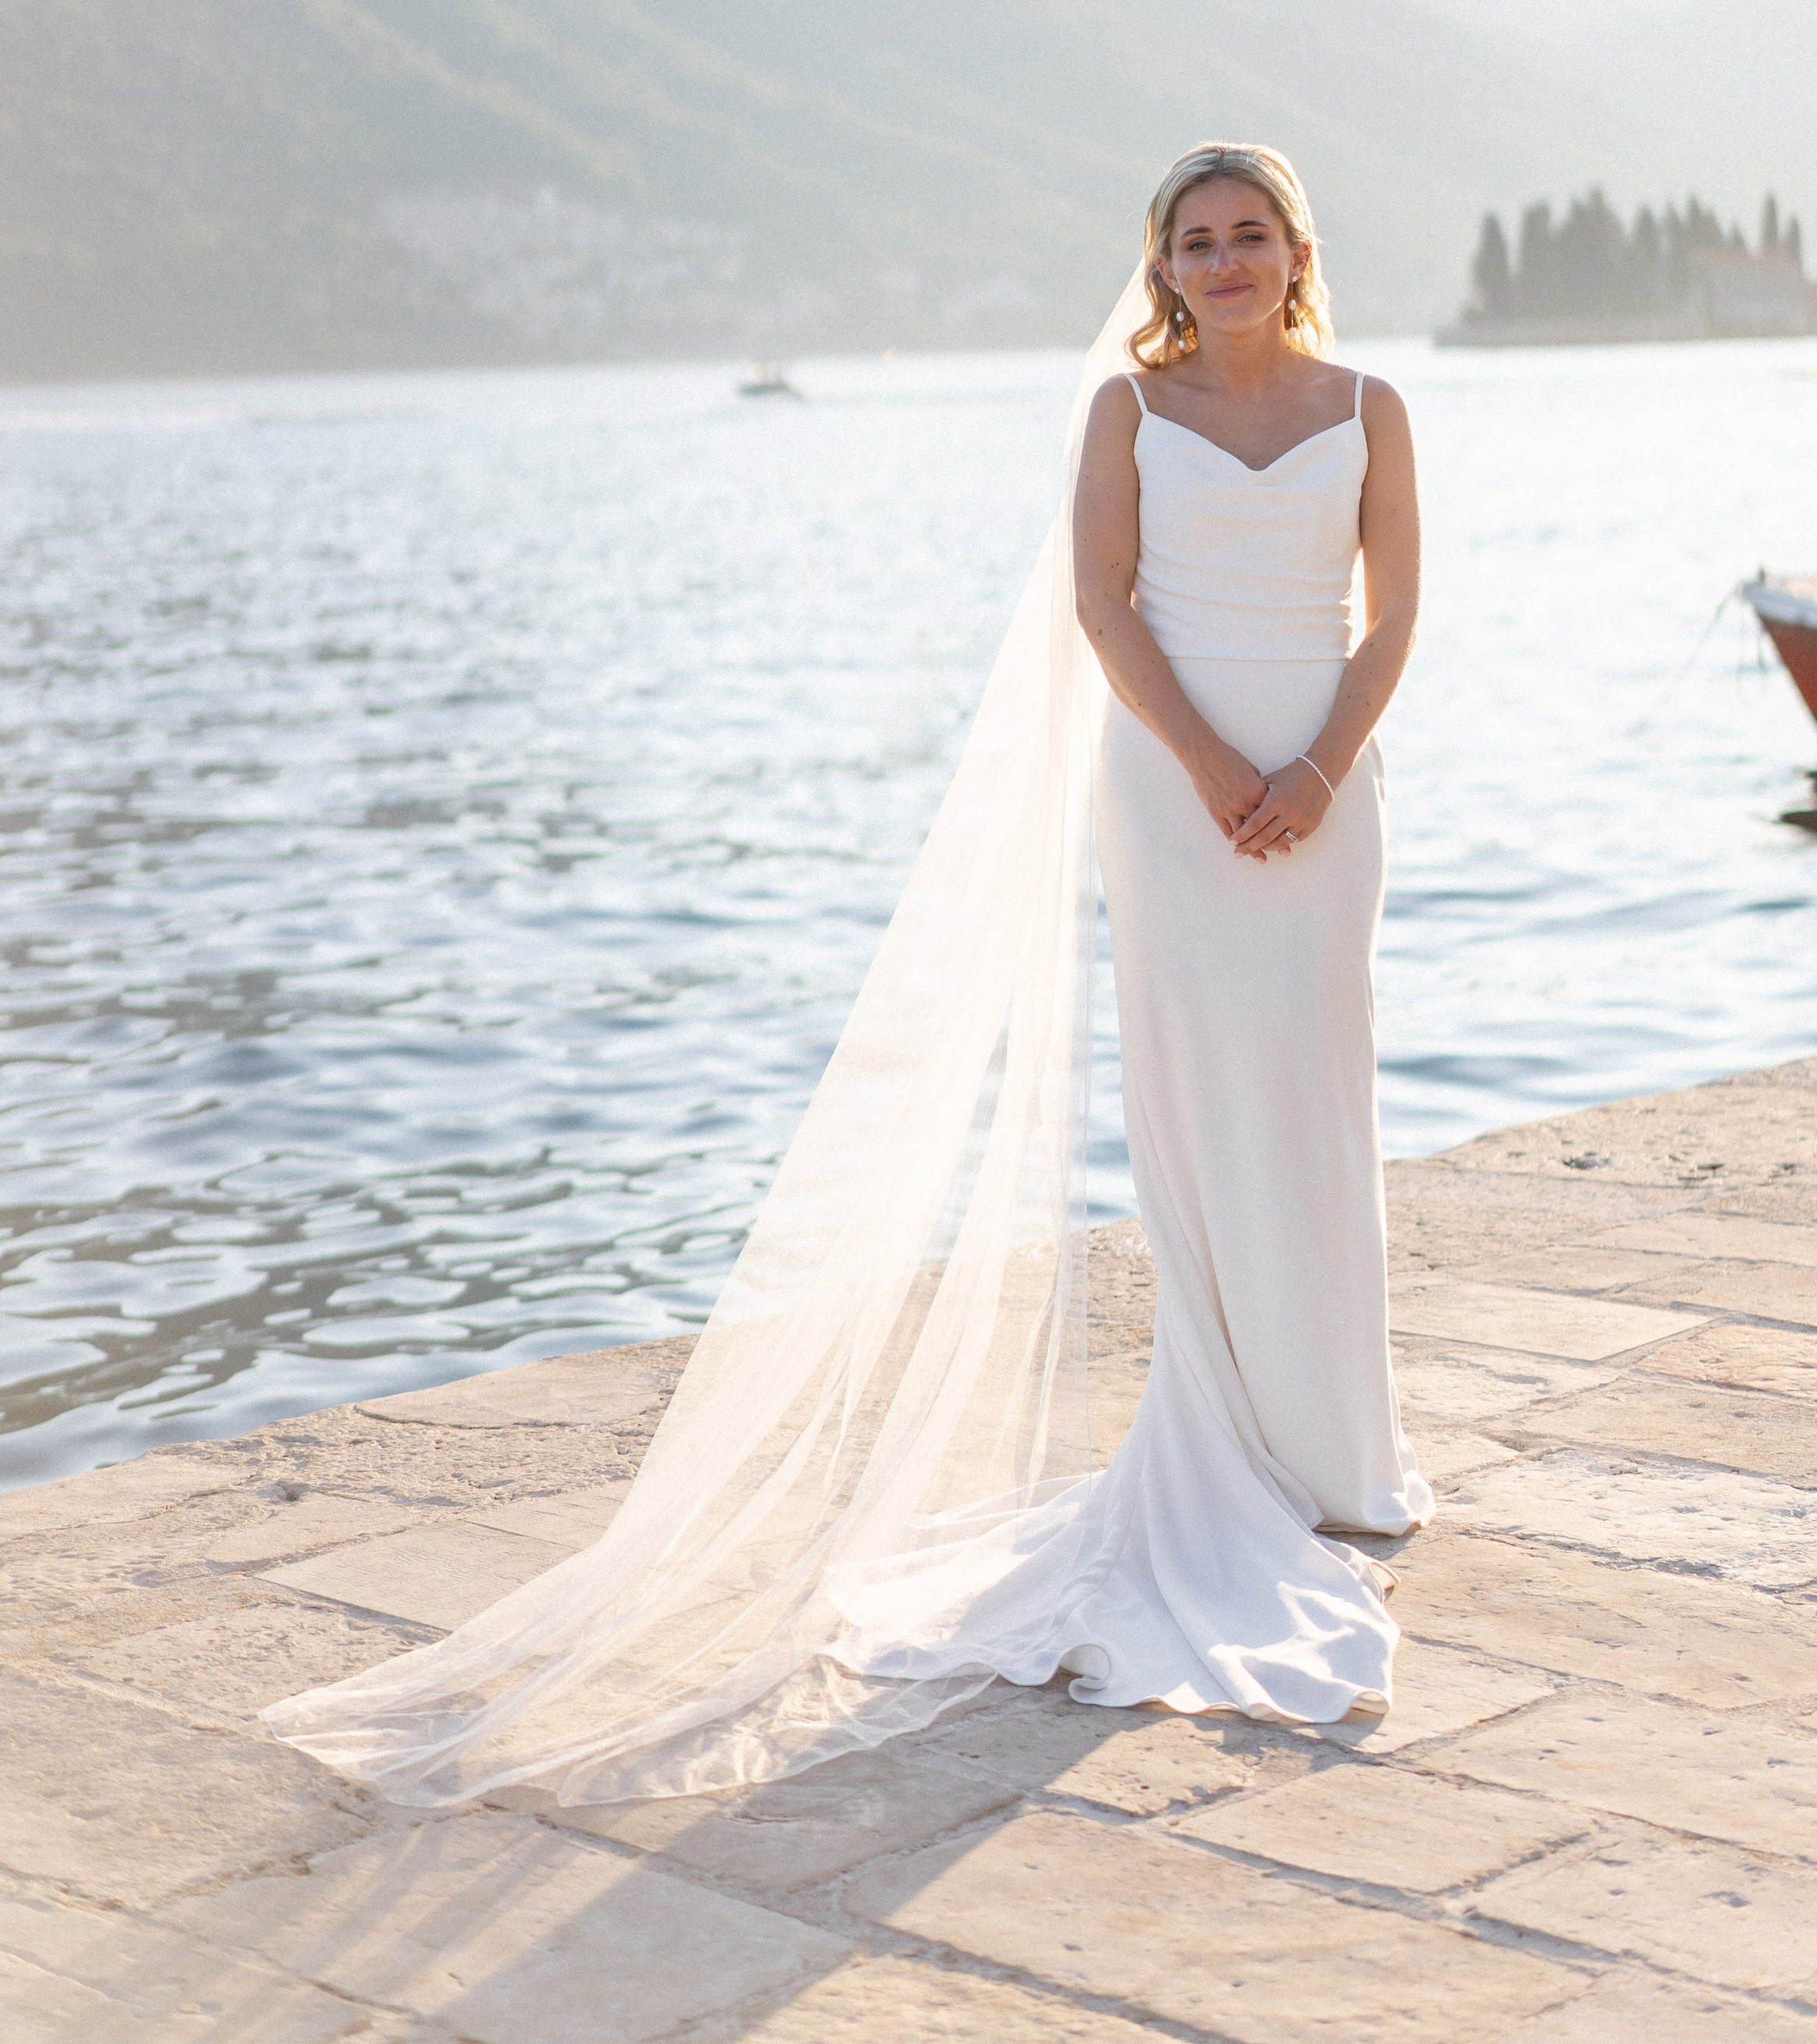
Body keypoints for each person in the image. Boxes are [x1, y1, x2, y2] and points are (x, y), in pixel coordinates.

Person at [266, 141, 1429, 1806]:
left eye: (1250, 235)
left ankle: (1332, 1446)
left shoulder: (1369, 406)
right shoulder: (1125, 412)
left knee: (1317, 1097)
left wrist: (1313, 770)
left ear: (1297, 249)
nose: (1224, 260)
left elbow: (1389, 618)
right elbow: (1103, 612)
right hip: (1175, 798)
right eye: (1195, 240)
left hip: (1323, 791)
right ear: (1160, 266)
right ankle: (1222, 1444)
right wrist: (1200, 766)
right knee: (1192, 1105)